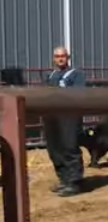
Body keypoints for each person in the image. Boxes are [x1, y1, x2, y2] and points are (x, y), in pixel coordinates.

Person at [42, 46, 86, 197]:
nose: (60, 58)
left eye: (63, 56)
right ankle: (64, 179)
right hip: (53, 116)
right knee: (54, 148)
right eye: (57, 56)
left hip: (69, 116)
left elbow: (79, 95)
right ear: (54, 59)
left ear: (68, 58)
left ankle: (75, 182)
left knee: (69, 146)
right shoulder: (51, 76)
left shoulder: (75, 75)